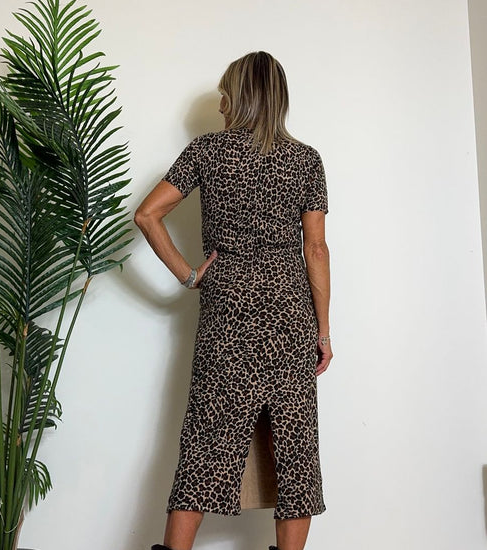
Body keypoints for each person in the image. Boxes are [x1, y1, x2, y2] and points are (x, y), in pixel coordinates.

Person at [134, 51, 332, 550]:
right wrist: (323, 331)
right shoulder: (306, 160)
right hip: (290, 319)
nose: (221, 104)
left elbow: (147, 215)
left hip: (228, 317)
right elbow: (315, 248)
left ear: (240, 97)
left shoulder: (207, 151)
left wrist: (189, 276)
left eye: (225, 93)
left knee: (204, 447)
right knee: (296, 452)